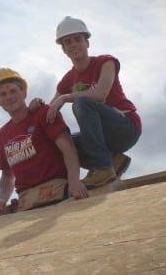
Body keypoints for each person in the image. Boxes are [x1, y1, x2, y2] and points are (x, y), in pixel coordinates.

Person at [35, 16, 142, 189]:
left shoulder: (105, 62)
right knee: (60, 143)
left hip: (126, 127)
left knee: (82, 102)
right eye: (68, 42)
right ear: (64, 50)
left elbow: (101, 94)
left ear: (87, 43)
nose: (74, 45)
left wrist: (67, 97)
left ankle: (102, 167)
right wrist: (36, 107)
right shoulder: (68, 79)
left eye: (78, 40)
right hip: (103, 139)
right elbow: (48, 112)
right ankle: (113, 161)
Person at [0, 68, 88, 212]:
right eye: (3, 94)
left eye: (13, 91)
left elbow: (67, 146)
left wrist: (74, 181)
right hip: (26, 201)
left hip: (57, 191)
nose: (9, 97)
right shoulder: (2, 135)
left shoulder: (42, 113)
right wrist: (2, 199)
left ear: (24, 93)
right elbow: (7, 174)